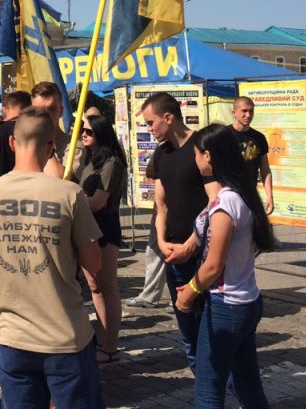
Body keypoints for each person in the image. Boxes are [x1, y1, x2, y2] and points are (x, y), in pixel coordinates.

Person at [0, 108, 105, 408]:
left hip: (12, 337)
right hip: (66, 336)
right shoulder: (69, 194)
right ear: (50, 147)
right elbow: (94, 263)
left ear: (11, 143)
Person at [172, 123, 274, 408]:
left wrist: (188, 293)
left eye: (195, 155)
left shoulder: (226, 204)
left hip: (227, 306)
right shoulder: (239, 193)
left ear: (208, 156)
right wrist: (187, 250)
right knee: (248, 385)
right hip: (245, 302)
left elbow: (214, 266)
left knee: (208, 388)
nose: (194, 161)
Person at [143, 92, 218, 372]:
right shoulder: (163, 153)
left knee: (210, 327)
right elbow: (160, 203)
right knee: (188, 331)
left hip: (202, 254)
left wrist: (192, 243)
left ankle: (218, 388)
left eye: (151, 123)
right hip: (173, 254)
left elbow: (215, 202)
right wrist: (162, 241)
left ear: (168, 117)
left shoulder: (200, 148)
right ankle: (204, 387)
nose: (149, 129)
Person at [74, 113, 126, 363]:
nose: (83, 134)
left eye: (88, 131)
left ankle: (110, 344)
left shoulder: (112, 162)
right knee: (94, 286)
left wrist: (73, 201)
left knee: (107, 286)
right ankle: (104, 340)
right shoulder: (90, 160)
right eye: (82, 130)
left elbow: (97, 202)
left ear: (101, 134)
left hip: (104, 226)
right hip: (88, 226)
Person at [126, 154, 167, 308]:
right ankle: (149, 295)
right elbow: (151, 172)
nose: (150, 128)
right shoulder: (162, 150)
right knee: (153, 251)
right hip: (160, 210)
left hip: (177, 211)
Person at [230, 97, 274, 214]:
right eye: (244, 111)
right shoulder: (223, 135)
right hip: (227, 197)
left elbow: (265, 169)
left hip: (250, 197)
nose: (248, 115)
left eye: (251, 111)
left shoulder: (259, 138)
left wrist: (269, 196)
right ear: (234, 113)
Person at [31, 81, 69, 176]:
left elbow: (60, 182)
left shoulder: (74, 146)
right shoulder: (27, 143)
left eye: (51, 109)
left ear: (60, 112)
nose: (45, 115)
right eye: (39, 110)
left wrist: (46, 144)